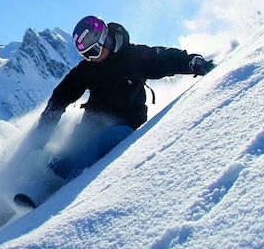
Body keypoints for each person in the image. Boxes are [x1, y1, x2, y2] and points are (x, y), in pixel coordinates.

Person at [34, 15, 214, 181]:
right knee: (68, 151)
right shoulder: (88, 69)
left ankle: (70, 185)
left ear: (105, 38)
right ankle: (40, 185)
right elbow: (60, 97)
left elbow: (167, 60)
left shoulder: (134, 57)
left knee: (103, 141)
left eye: (94, 51)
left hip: (128, 128)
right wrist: (43, 132)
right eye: (87, 55)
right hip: (93, 124)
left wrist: (193, 64)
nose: (92, 58)